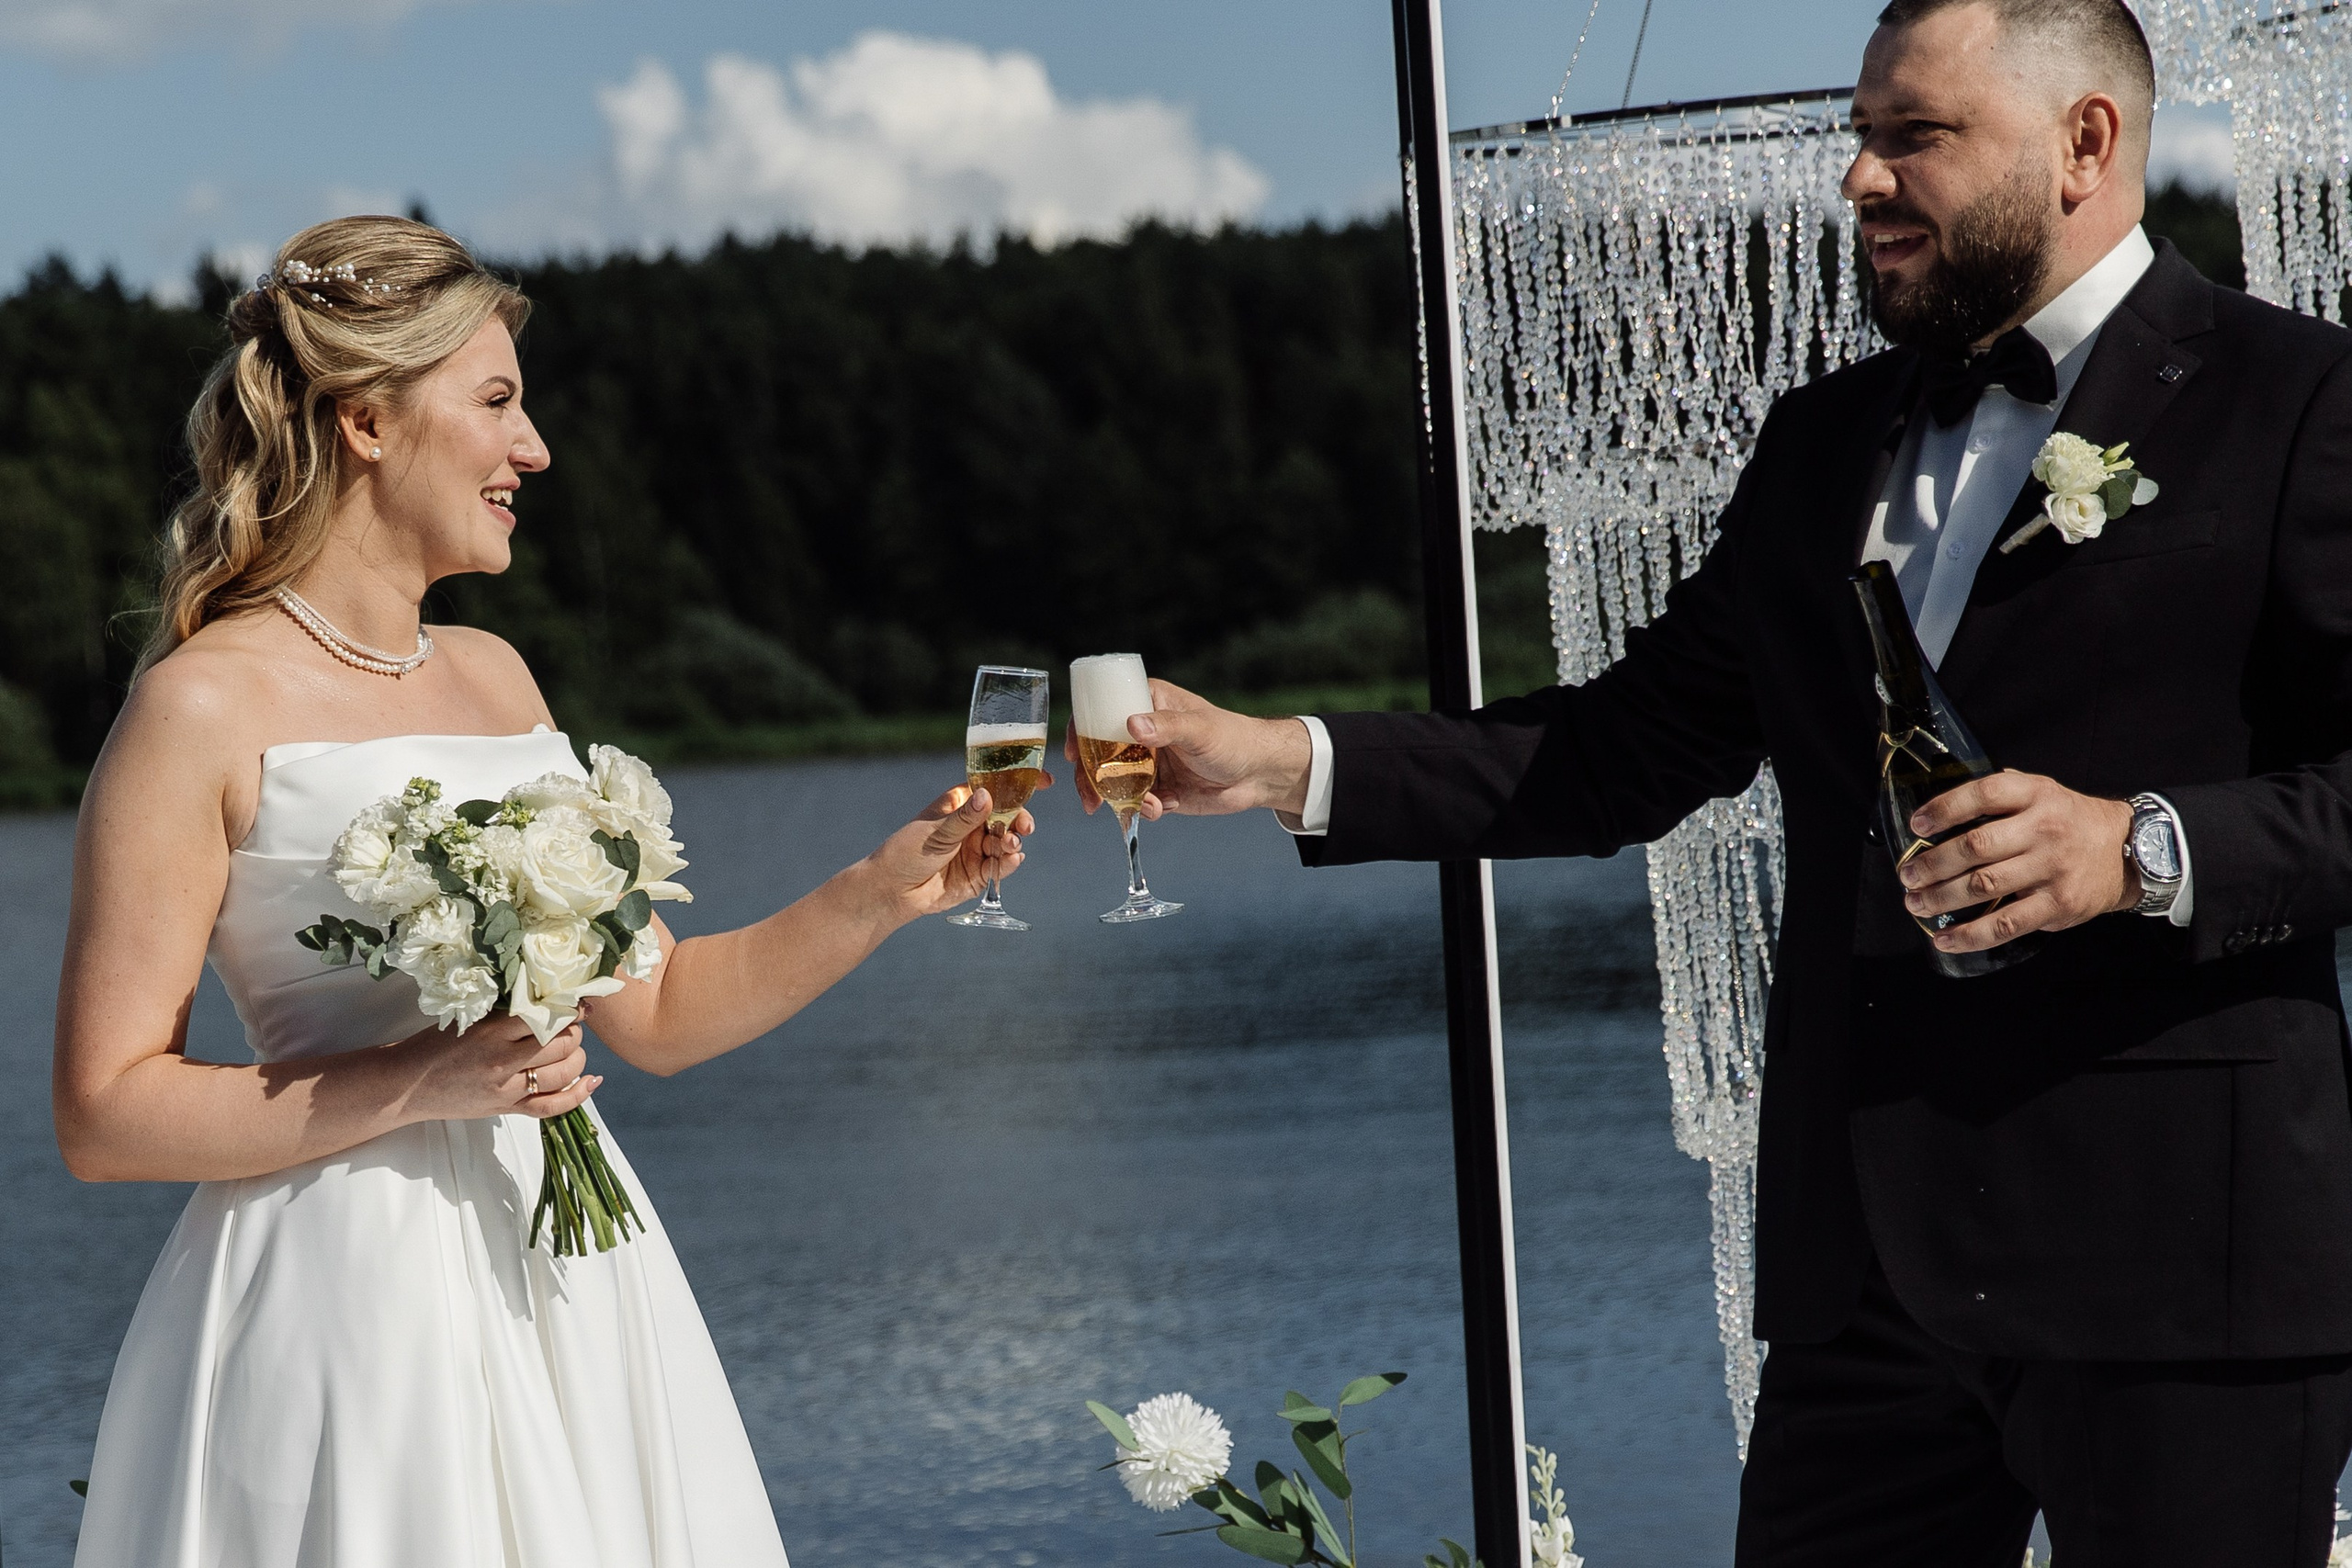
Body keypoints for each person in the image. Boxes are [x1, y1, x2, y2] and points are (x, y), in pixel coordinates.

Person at [1079, 2, 2352, 1562]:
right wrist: (1282, 762)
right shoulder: (1822, 441)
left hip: (2183, 1266)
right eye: (1861, 131)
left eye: (1913, 135)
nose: (1858, 179)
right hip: (1865, 1282)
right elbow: (1620, 752)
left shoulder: (2302, 401)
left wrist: (2141, 849)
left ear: (2086, 142)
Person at [52, 214, 1038, 1566]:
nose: (536, 450)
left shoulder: (498, 679)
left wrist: (880, 891)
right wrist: (419, 1081)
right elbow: (104, 1111)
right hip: (348, 1306)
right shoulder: (200, 706)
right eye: (500, 404)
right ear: (366, 423)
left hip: (569, 1273)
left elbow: (661, 1012)